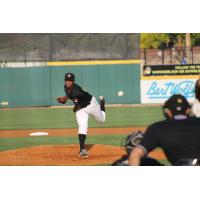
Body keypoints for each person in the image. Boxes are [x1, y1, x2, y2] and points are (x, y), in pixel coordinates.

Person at [129, 94, 200, 166]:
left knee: (147, 162)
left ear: (167, 111)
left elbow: (135, 154)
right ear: (188, 110)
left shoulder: (158, 128)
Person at [56, 73, 106, 158]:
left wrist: (75, 107)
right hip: (81, 108)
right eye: (67, 80)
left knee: (101, 120)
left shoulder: (77, 91)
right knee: (82, 127)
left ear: (73, 81)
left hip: (91, 105)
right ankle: (82, 150)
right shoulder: (66, 87)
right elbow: (70, 96)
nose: (68, 82)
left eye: (70, 80)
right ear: (65, 80)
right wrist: (65, 98)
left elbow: (78, 102)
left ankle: (102, 103)